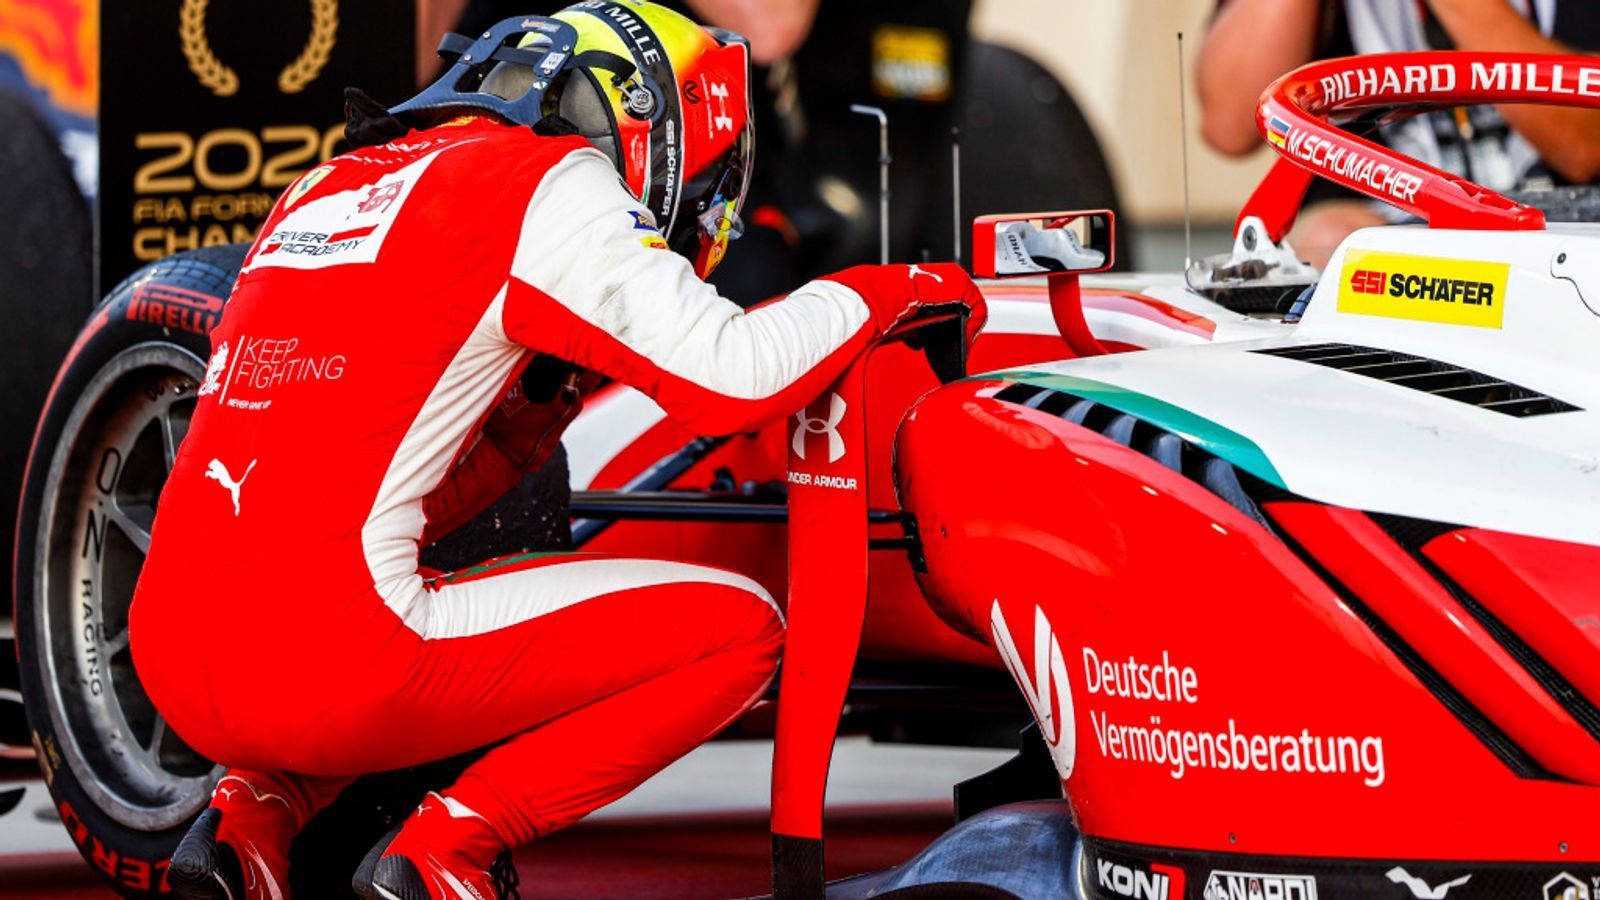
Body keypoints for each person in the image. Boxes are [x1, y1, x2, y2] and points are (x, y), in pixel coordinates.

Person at [127, 3, 986, 899]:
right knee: (741, 630)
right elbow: (735, 379)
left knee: (345, 590)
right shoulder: (556, 181)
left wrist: (519, 437)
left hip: (172, 656)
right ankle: (447, 849)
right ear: (649, 124)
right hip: (338, 663)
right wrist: (893, 289)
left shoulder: (324, 182)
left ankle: (251, 815)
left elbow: (340, 462)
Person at [1197, 0, 1600, 266]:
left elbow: (1586, 146)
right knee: (1333, 241)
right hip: (1392, 231)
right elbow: (1228, 126)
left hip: (1565, 225)